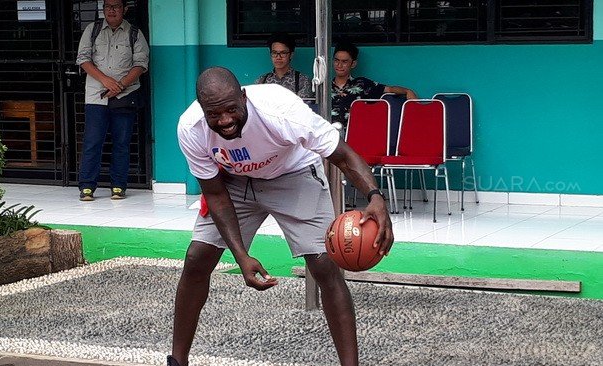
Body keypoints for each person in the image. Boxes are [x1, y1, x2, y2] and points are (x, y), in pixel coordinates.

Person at [168, 67, 395, 366]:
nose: (224, 120)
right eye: (214, 114)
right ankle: (177, 360)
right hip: (234, 183)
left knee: (325, 265)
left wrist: (375, 197)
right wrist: (241, 255)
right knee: (197, 257)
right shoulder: (191, 128)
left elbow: (341, 155)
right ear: (201, 109)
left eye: (231, 109)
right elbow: (216, 195)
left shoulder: (281, 110)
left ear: (244, 98)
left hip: (293, 174)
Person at [75, 0, 149, 201]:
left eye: (116, 6)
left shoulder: (134, 33)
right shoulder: (93, 29)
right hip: (95, 96)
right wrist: (106, 81)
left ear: (125, 9)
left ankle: (118, 185)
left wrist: (121, 85)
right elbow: (83, 59)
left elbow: (141, 64)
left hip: (125, 96)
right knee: (92, 142)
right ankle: (87, 187)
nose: (111, 10)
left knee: (121, 143)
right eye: (108, 6)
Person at [331, 41, 417, 128]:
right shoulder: (324, 88)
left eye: (344, 61)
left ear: (353, 64)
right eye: (336, 60)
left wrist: (407, 91)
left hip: (354, 136)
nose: (339, 65)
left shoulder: (362, 84)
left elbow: (390, 89)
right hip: (326, 138)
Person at [255, 32, 314, 99]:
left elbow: (302, 107)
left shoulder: (303, 81)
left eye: (283, 53)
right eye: (274, 53)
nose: (278, 57)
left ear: (291, 55)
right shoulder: (261, 81)